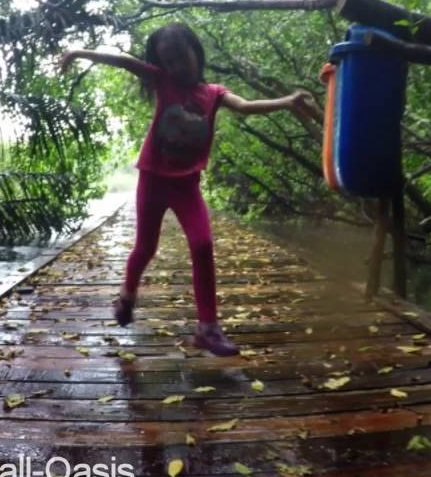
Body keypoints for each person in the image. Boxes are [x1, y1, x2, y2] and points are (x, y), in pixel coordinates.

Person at [59, 22, 315, 356]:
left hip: (186, 185)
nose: (177, 66)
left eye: (182, 57)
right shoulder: (162, 81)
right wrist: (80, 51)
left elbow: (247, 106)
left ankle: (208, 328)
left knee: (203, 243)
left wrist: (288, 101)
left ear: (196, 50)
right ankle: (127, 295)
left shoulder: (214, 94)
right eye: (169, 61)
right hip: (153, 180)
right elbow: (123, 60)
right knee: (145, 248)